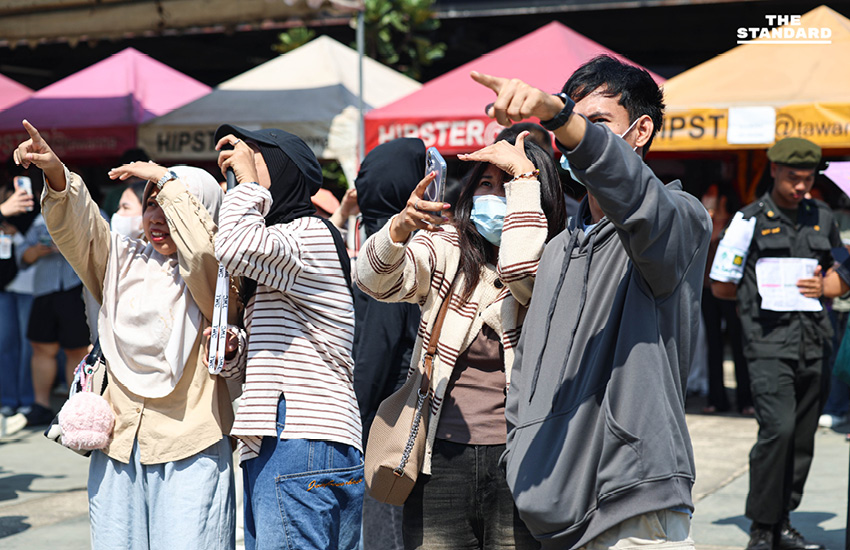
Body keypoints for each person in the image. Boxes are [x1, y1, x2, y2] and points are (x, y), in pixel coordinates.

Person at [470, 54, 711, 549]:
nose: (575, 139)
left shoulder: (678, 222)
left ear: (640, 132)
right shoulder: (558, 249)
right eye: (575, 124)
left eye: (597, 122)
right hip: (550, 509)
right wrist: (521, 451)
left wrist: (560, 117)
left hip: (631, 503)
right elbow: (530, 369)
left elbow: (636, 194)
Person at [14, 120, 238, 550]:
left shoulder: (216, 277)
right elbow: (80, 227)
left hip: (190, 442)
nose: (156, 216)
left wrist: (166, 182)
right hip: (117, 442)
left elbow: (203, 250)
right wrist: (56, 173)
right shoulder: (121, 257)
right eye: (150, 205)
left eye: (170, 207)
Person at [356, 130, 566, 550]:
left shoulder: (559, 258)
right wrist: (398, 230)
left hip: (521, 457)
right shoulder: (446, 246)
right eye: (485, 184)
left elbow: (521, 268)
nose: (495, 195)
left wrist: (525, 177)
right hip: (441, 459)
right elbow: (373, 281)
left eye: (509, 186)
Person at [213, 124, 363, 550]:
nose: (237, 163)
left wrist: (248, 187)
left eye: (252, 155)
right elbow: (287, 341)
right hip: (315, 436)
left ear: (281, 170)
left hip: (297, 433)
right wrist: (235, 348)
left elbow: (233, 244)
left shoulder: (306, 233)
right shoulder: (286, 248)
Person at [711, 137, 843, 550]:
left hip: (816, 342)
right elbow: (720, 286)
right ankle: (762, 527)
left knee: (802, 437)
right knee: (778, 430)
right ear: (773, 171)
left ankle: (783, 519)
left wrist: (827, 284)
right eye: (792, 178)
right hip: (768, 343)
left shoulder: (822, 215)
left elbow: (842, 266)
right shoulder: (748, 220)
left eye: (806, 180)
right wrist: (761, 294)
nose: (800, 187)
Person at [351, 138, 425, 550]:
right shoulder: (407, 244)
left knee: (386, 531)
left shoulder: (384, 246)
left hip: (384, 423)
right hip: (398, 417)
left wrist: (356, 417)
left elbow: (375, 349)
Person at [701, 185, 753, 415]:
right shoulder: (702, 220)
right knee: (712, 345)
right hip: (706, 290)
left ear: (722, 199)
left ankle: (745, 399)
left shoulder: (736, 223)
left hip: (731, 290)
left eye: (711, 193)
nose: (705, 197)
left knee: (738, 343)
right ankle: (717, 399)